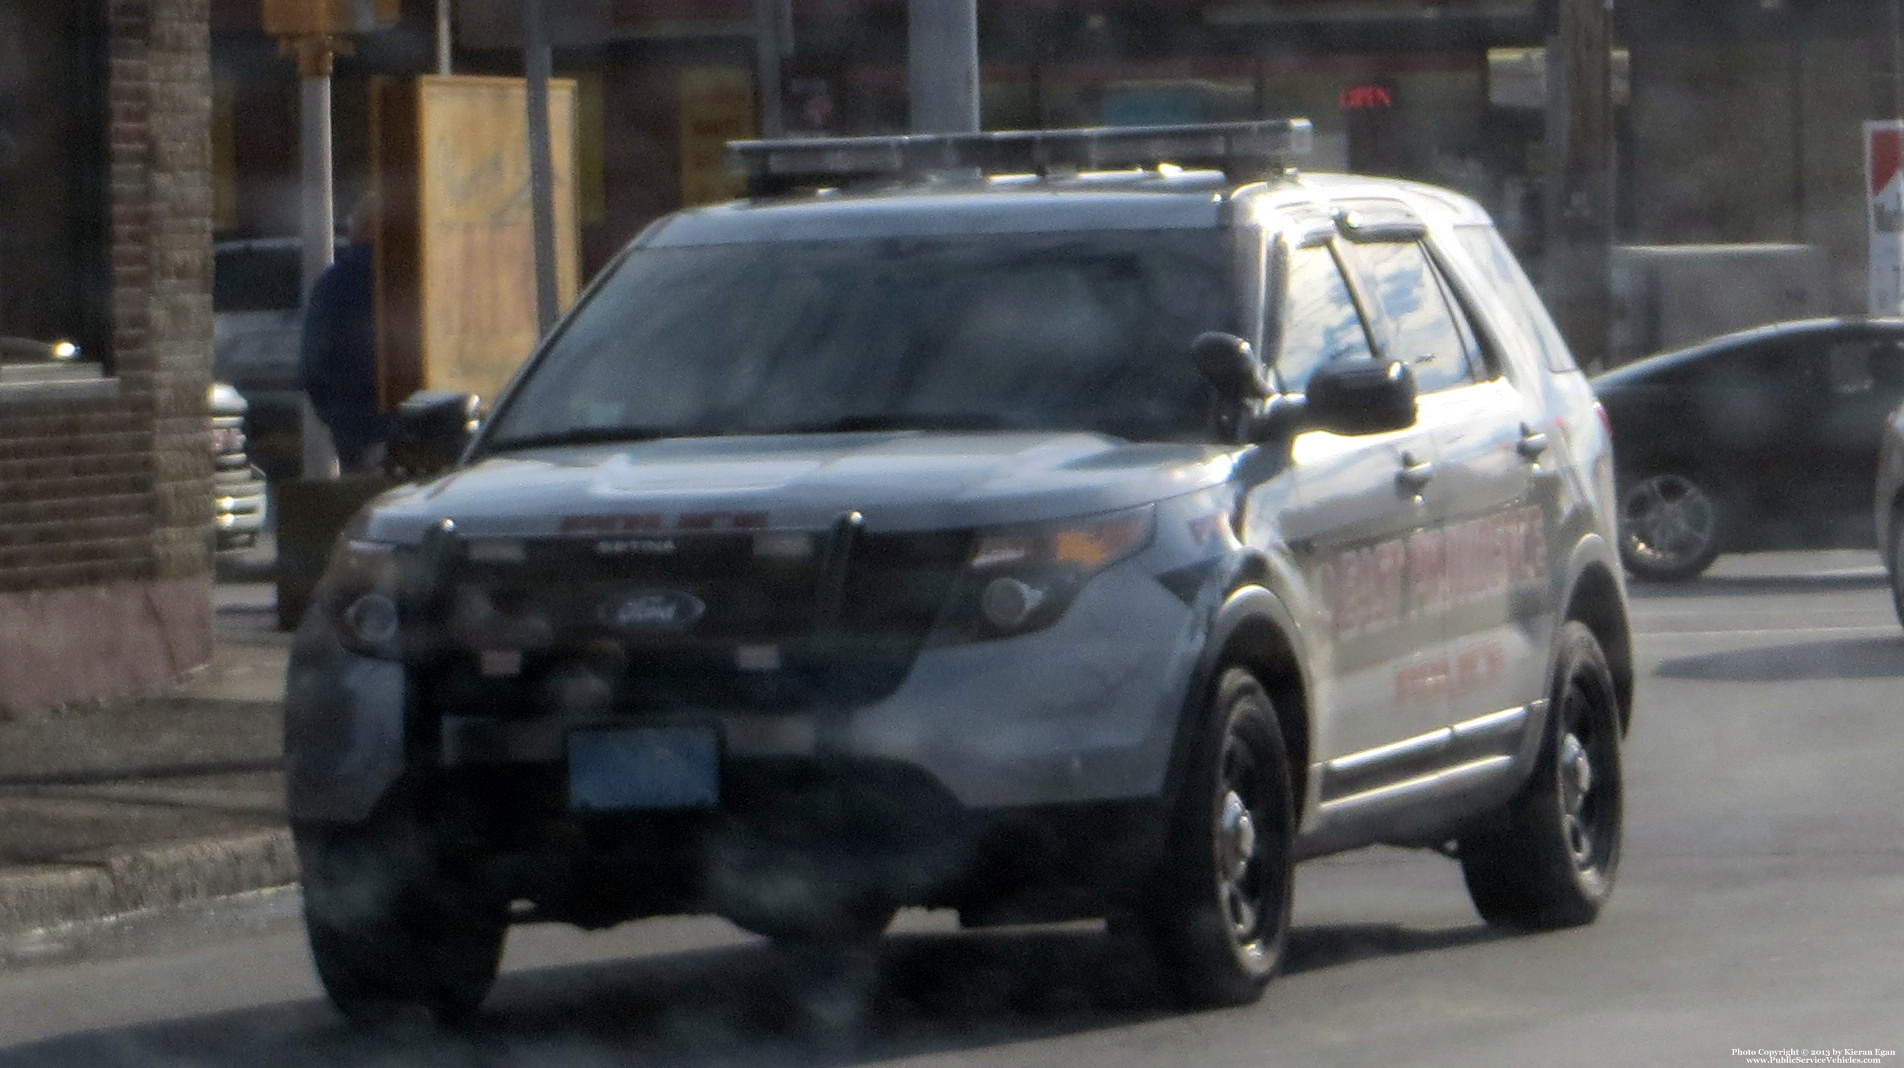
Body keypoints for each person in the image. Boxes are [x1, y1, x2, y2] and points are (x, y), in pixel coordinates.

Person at [298, 195, 388, 474]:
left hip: (354, 421)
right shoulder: (419, 274)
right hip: (417, 423)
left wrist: (331, 412)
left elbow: (314, 357)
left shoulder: (336, 284)